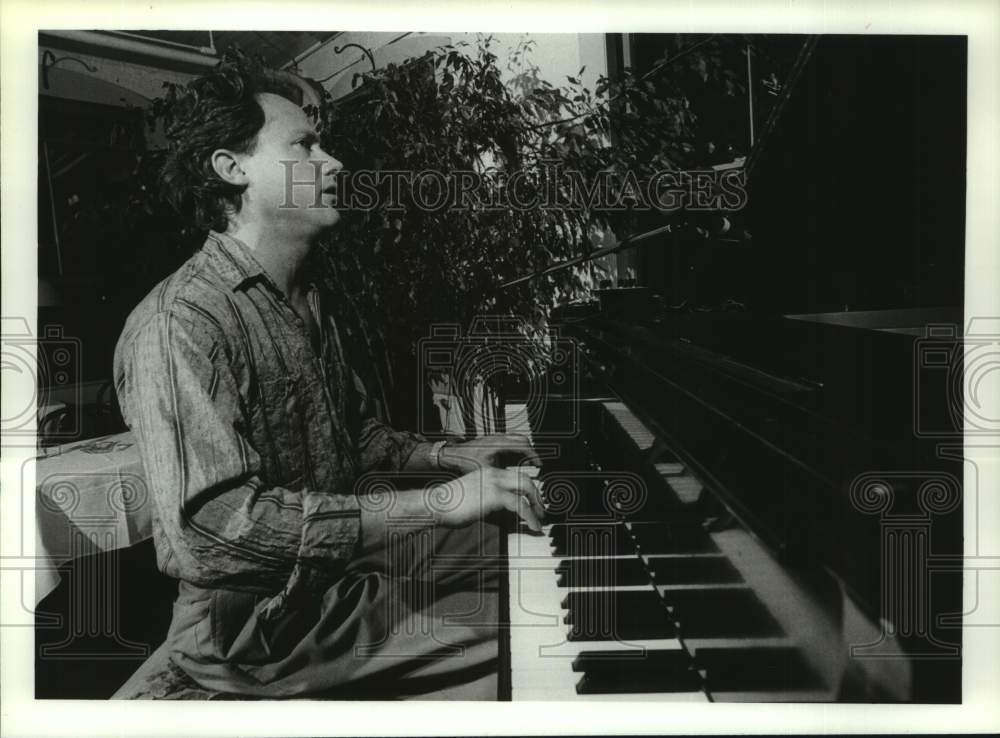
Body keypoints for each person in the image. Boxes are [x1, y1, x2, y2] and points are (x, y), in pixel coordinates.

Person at [113, 53, 543, 699]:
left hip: (335, 573)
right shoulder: (180, 322)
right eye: (305, 146)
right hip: (254, 626)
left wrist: (449, 454)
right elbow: (215, 530)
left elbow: (353, 436)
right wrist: (439, 501)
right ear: (232, 171)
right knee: (537, 623)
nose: (333, 162)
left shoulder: (308, 297)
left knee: (529, 540)